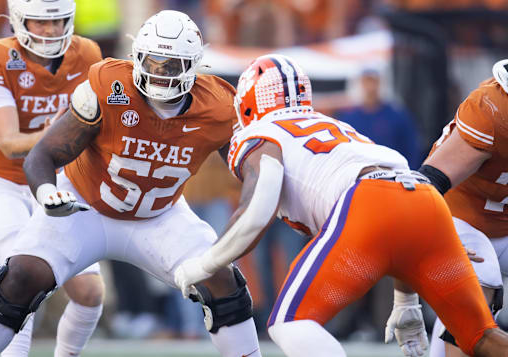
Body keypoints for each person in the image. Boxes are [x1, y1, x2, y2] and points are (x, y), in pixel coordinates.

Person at [0, 9, 262, 357]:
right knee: (22, 274)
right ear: (136, 57)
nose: (160, 73)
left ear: (194, 65)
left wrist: (259, 199)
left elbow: (252, 168)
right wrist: (47, 193)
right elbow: (41, 156)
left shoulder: (220, 105)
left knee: (223, 281)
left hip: (159, 217)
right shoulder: (109, 86)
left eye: (172, 65)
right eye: (153, 61)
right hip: (86, 208)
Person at [173, 53, 508, 357]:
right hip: (425, 200)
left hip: (368, 205)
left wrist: (205, 265)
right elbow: (401, 199)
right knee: (481, 337)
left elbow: (260, 205)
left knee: (290, 323)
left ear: (247, 104)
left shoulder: (257, 134)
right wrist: (406, 299)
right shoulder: (340, 126)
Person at [0, 0, 105, 357]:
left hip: (58, 184)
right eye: (40, 21)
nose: (50, 29)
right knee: (20, 284)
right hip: (3, 184)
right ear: (19, 19)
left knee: (91, 293)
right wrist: (61, 130)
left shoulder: (88, 53)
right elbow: (10, 143)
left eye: (58, 19)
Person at [422, 59, 508, 357]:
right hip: (458, 219)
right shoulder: (491, 110)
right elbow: (428, 186)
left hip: (504, 223)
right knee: (478, 296)